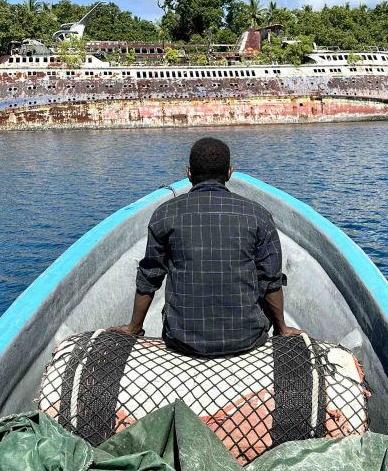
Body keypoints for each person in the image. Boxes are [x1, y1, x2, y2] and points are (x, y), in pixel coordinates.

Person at [110, 137, 302, 357]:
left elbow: (150, 276)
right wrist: (281, 329)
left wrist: (134, 327)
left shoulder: (164, 214)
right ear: (229, 172)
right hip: (247, 338)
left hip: (181, 339)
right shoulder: (258, 215)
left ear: (188, 173)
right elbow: (270, 280)